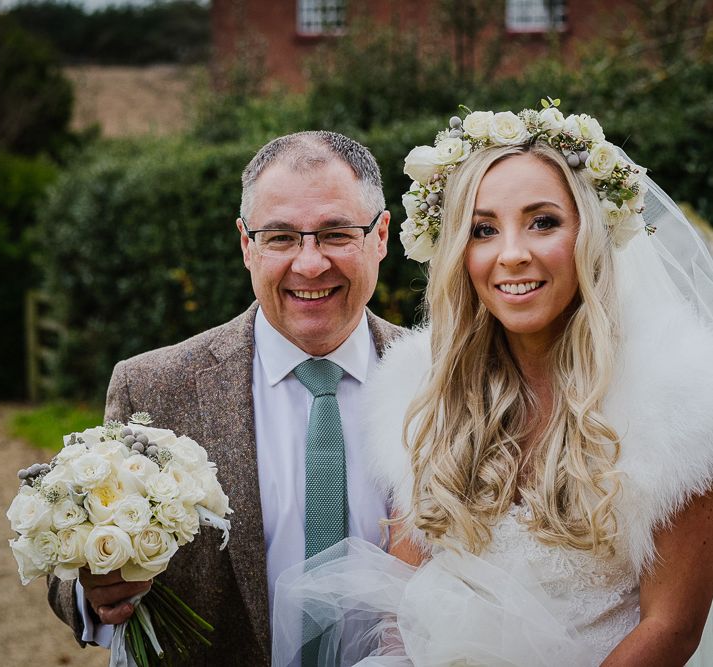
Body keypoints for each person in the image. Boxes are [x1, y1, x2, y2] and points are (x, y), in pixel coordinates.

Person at [272, 103, 713, 666]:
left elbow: (672, 626)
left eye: (543, 222)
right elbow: (403, 594)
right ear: (460, 250)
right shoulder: (422, 391)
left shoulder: (676, 399)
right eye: (484, 229)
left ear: (590, 234)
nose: (511, 254)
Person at [47, 130, 403, 666]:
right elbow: (75, 571)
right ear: (246, 244)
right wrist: (94, 589)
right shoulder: (153, 387)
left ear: (380, 237)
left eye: (335, 234)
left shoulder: (444, 379)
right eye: (280, 237)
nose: (309, 264)